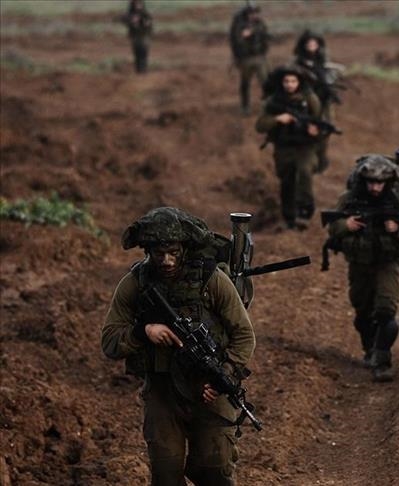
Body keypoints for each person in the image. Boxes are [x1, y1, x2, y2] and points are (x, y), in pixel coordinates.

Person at [102, 207, 256, 485]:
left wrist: (225, 374)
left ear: (185, 248)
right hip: (162, 392)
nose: (167, 261)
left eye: (173, 252)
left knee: (214, 470)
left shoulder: (211, 280)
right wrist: (143, 331)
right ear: (147, 251)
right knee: (166, 472)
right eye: (158, 253)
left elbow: (244, 334)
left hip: (209, 389)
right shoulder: (135, 284)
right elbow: (110, 342)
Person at [325, 156, 399, 382]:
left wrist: (396, 229)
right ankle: (369, 348)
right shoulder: (349, 199)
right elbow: (332, 227)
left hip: (388, 263)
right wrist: (346, 225)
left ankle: (382, 361)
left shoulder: (396, 201)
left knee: (386, 311)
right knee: (363, 312)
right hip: (360, 264)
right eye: (371, 182)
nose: (375, 187)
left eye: (379, 183)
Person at [256, 65, 322, 230]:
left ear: (299, 82)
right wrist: (278, 119)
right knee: (287, 180)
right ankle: (289, 217)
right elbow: (260, 125)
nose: (290, 84)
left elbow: (320, 121)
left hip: (305, 146)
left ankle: (305, 212)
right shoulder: (274, 101)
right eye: (286, 81)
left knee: (304, 172)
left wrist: (315, 130)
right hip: (283, 147)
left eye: (293, 81)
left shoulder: (310, 99)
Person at [294, 30, 338, 174]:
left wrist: (330, 89)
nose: (312, 45)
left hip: (324, 100)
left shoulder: (323, 61)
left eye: (314, 43)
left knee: (325, 129)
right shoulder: (298, 63)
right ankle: (307, 159)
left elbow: (331, 78)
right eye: (309, 43)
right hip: (305, 101)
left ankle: (321, 157)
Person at [229, 3, 269, 115]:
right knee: (245, 83)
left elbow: (264, 35)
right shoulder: (239, 24)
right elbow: (235, 41)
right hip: (246, 59)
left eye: (256, 12)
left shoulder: (259, 23)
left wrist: (253, 32)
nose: (254, 15)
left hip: (259, 57)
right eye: (252, 13)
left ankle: (268, 105)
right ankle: (245, 106)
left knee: (265, 82)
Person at [123, 0, 153, 74]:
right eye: (137, 4)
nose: (138, 6)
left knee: (143, 54)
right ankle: (139, 72)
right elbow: (123, 19)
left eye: (139, 4)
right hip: (135, 37)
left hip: (143, 36)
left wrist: (146, 23)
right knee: (137, 54)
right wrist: (132, 21)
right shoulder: (131, 14)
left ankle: (143, 71)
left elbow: (149, 23)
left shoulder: (145, 13)